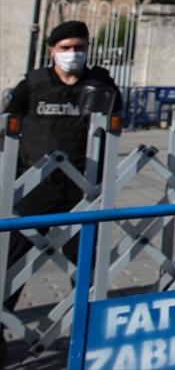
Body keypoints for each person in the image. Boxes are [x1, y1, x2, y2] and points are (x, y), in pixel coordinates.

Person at [2, 21, 123, 339]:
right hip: (35, 185)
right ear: (52, 51)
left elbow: (116, 122)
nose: (73, 54)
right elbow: (7, 127)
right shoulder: (33, 85)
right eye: (65, 48)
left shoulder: (101, 84)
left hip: (82, 186)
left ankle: (85, 330)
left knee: (85, 264)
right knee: (12, 261)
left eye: (79, 48)